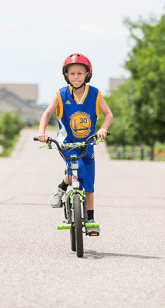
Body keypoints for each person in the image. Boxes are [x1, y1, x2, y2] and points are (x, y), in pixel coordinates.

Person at [37, 53, 113, 230]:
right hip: (68, 142)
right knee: (77, 166)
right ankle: (63, 188)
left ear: (87, 74)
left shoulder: (95, 94)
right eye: (72, 74)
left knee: (89, 181)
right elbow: (47, 113)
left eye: (80, 73)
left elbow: (108, 114)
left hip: (88, 143)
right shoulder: (61, 95)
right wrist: (42, 132)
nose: (76, 77)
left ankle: (91, 218)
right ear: (66, 76)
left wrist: (102, 128)